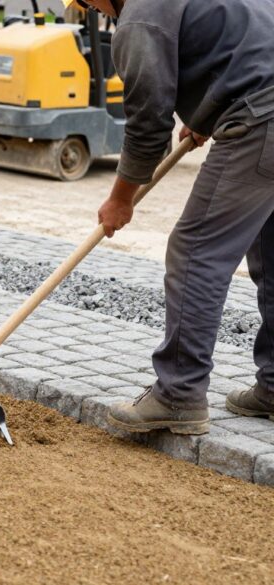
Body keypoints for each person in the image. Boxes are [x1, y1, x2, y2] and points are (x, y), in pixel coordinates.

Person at [61, 0, 274, 434]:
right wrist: (208, 113)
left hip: (262, 119)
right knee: (272, 255)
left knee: (196, 251)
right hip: (262, 104)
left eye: (86, 3)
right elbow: (241, 46)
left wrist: (121, 198)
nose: (93, 10)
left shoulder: (139, 17)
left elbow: (147, 122)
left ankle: (178, 394)